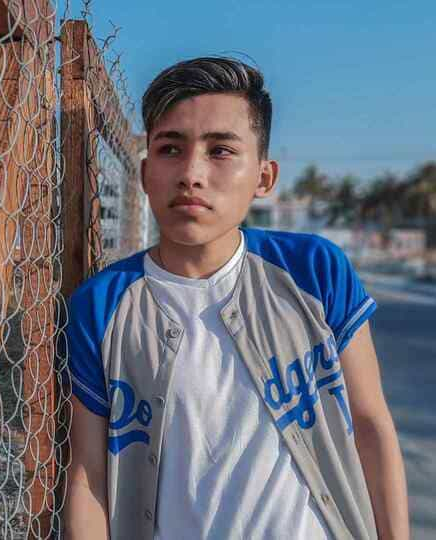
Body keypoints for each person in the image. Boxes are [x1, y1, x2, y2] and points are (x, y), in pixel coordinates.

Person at [62, 57, 409, 540]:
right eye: (170, 149)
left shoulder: (312, 270)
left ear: (264, 178)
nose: (191, 174)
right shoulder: (101, 306)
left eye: (220, 150)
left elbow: (370, 425)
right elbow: (88, 475)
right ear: (144, 174)